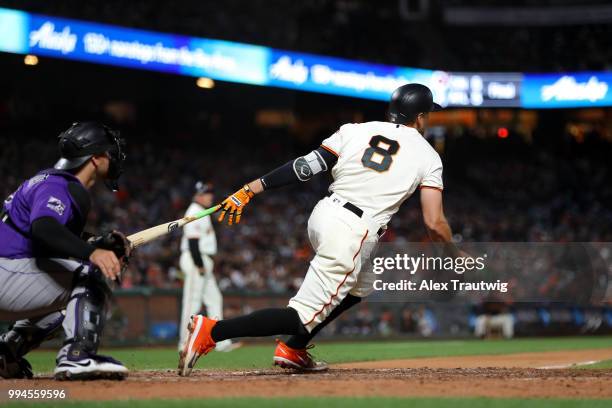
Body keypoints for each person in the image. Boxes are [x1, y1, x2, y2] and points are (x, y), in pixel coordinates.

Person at [178, 83, 458, 376]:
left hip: (324, 215)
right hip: (353, 232)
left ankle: (294, 349)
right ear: (421, 116)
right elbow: (434, 223)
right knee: (300, 316)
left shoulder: (354, 130)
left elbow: (304, 166)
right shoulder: (428, 155)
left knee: (362, 284)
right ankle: (212, 330)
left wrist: (250, 189)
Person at [0, 122, 131, 380]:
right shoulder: (58, 185)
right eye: (108, 153)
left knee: (70, 305)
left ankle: (7, 350)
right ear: (94, 159)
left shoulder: (51, 180)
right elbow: (44, 228)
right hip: (7, 273)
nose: (113, 158)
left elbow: (48, 239)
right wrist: (92, 253)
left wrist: (95, 243)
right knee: (92, 275)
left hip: (10, 273)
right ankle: (77, 358)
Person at [178, 181, 240, 352]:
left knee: (214, 299)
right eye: (206, 193)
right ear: (197, 195)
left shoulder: (202, 212)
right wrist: (199, 264)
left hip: (203, 260)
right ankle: (184, 343)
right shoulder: (193, 212)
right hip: (194, 259)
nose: (210, 196)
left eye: (210, 193)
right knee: (192, 302)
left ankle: (221, 342)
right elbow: (192, 242)